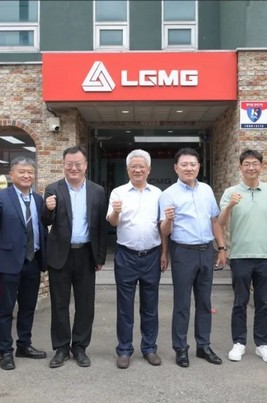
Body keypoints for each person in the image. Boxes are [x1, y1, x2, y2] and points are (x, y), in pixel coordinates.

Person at [159, 147, 227, 368]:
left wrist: (221, 247)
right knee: (182, 303)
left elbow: (214, 220)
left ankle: (203, 345)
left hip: (206, 251)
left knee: (205, 302)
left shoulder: (206, 190)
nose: (189, 168)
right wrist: (168, 221)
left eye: (193, 164)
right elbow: (164, 231)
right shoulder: (168, 194)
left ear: (198, 167)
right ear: (176, 168)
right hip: (183, 252)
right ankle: (180, 348)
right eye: (184, 164)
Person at [42, 145, 108, 368]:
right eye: (69, 164)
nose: (73, 168)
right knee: (59, 303)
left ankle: (80, 347)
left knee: (85, 304)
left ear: (85, 165)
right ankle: (61, 347)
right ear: (63, 165)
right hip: (60, 255)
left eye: (78, 164)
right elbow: (45, 221)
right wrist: (48, 209)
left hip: (86, 254)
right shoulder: (53, 189)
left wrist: (100, 257)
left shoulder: (97, 191)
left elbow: (101, 227)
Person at [0, 157, 48, 370]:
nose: (26, 175)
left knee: (28, 307)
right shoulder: (1, 196)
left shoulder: (38, 199)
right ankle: (5, 352)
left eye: (30, 172)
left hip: (33, 260)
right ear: (12, 175)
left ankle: (24, 345)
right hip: (10, 262)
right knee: (6, 309)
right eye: (22, 172)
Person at [218, 149, 267, 364]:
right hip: (240, 256)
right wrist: (230, 205)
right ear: (240, 167)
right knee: (240, 302)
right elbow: (221, 222)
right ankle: (239, 342)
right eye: (247, 164)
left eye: (255, 163)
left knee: (263, 303)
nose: (251, 167)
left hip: (265, 256)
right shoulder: (231, 192)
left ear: (261, 166)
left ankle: (262, 344)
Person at [107, 149, 165, 369]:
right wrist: (116, 212)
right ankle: (124, 350)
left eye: (142, 167)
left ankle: (149, 348)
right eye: (134, 167)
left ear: (148, 170)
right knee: (125, 306)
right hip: (126, 256)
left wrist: (164, 253)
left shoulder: (158, 194)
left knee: (150, 306)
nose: (138, 170)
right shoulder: (118, 192)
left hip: (151, 255)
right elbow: (112, 222)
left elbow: (162, 226)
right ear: (128, 169)